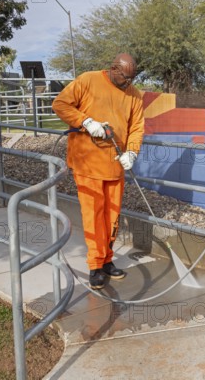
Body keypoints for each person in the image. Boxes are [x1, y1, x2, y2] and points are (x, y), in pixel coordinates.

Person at [52, 53, 144, 290]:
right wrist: (87, 122)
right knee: (94, 216)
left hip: (115, 165)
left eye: (131, 79)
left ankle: (106, 260)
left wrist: (132, 152)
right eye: (125, 78)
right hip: (88, 163)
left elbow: (136, 127)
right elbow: (60, 104)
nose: (128, 83)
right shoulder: (88, 80)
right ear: (114, 69)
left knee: (112, 217)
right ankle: (95, 266)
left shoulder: (133, 94)